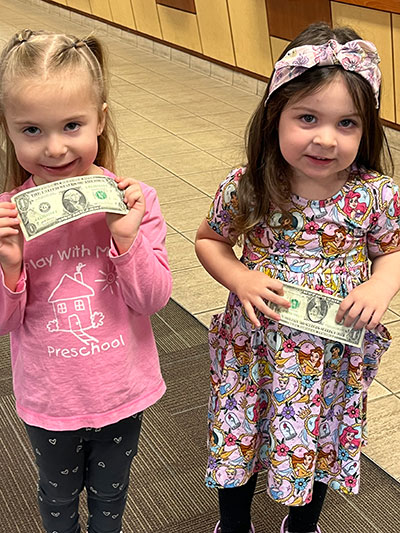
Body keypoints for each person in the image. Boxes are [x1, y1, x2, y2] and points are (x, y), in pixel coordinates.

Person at [195, 22, 400, 533]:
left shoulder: (375, 194)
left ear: (367, 130)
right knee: (240, 432)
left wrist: (381, 283)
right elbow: (209, 240)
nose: (326, 139)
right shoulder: (247, 187)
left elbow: (394, 251)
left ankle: (302, 522)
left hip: (330, 358)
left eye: (347, 123)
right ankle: (234, 522)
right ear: (274, 117)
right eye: (307, 117)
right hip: (255, 350)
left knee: (321, 435)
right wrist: (239, 277)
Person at [0, 29, 172, 533]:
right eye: (30, 130)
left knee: (111, 494)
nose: (54, 148)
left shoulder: (136, 201)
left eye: (72, 125)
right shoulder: (9, 217)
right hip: (50, 397)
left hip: (121, 388)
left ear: (101, 117)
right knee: (57, 496)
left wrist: (125, 240)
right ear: (8, 131)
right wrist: (11, 267)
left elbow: (153, 299)